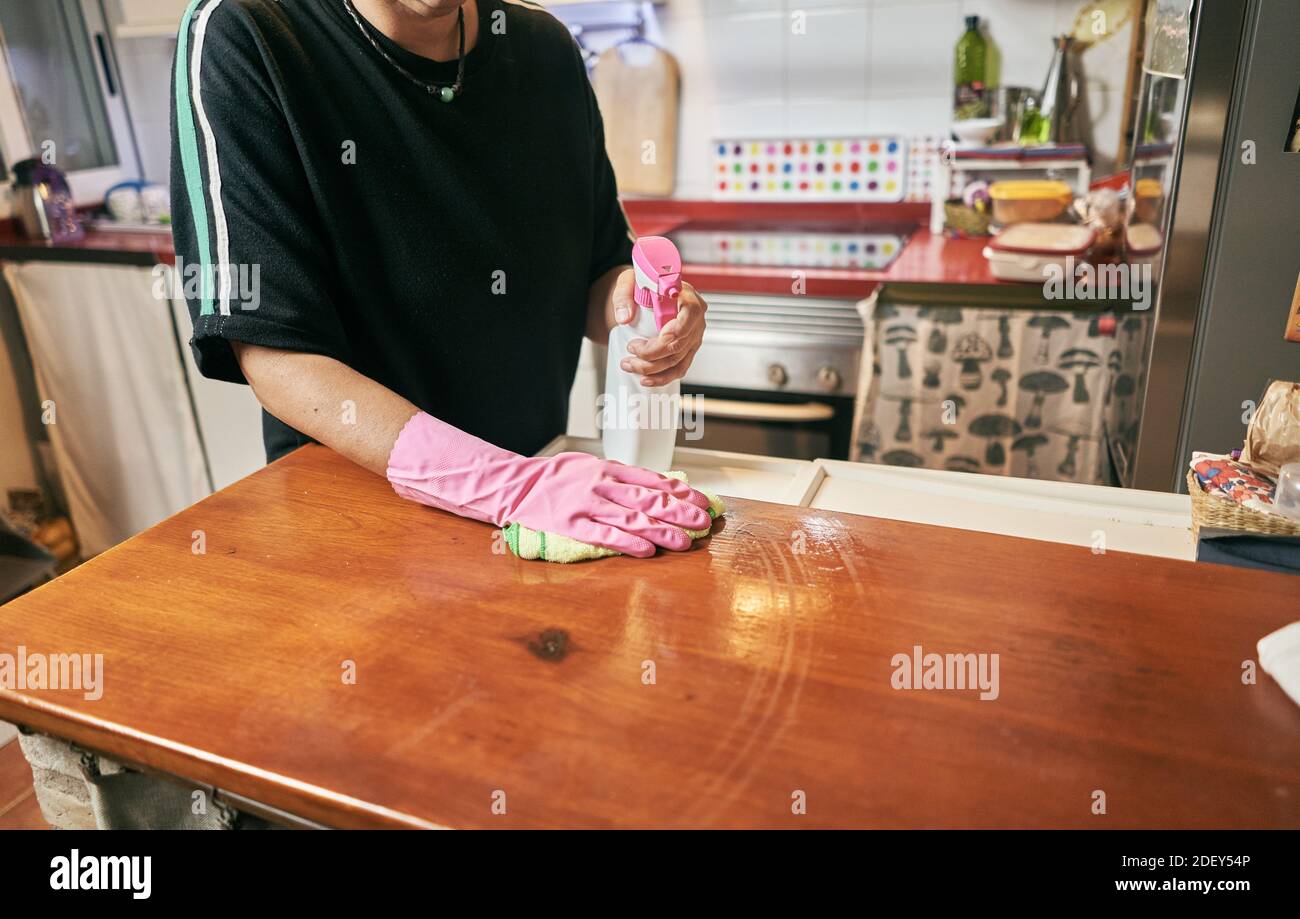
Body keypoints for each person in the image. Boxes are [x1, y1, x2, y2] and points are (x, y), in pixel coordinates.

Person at [172, 0, 711, 557]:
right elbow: (272, 350)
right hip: (356, 521)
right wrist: (503, 483)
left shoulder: (545, 48)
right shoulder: (249, 32)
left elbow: (601, 274)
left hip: (538, 508)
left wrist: (642, 314)